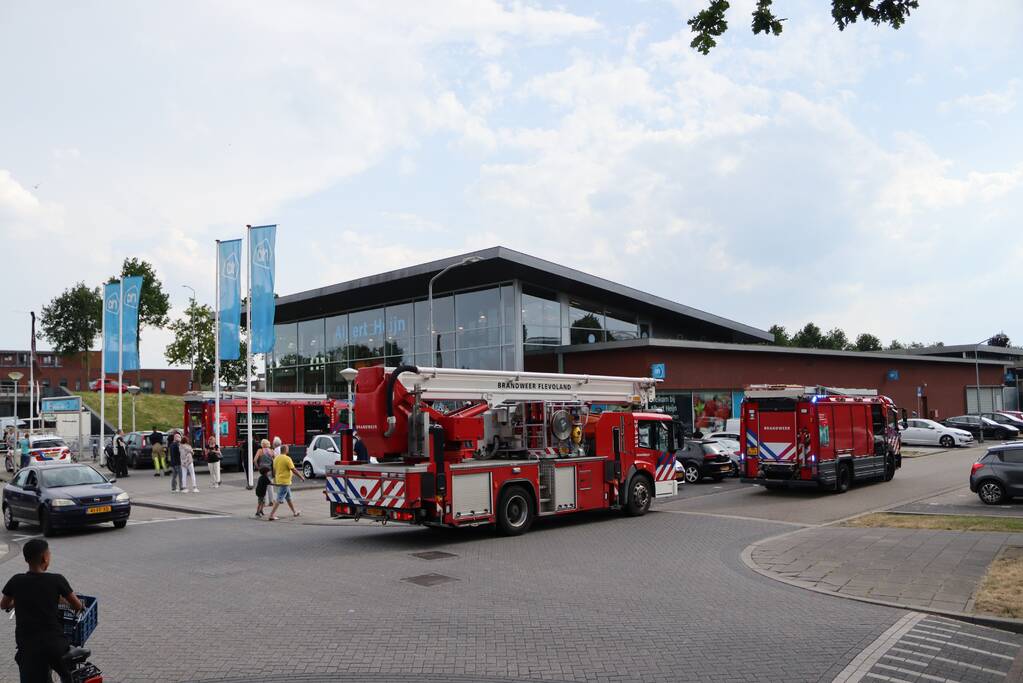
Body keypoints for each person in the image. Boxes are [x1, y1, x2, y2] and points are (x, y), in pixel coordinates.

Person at [1, 538, 85, 683]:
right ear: (45, 558)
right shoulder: (57, 580)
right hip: (54, 645)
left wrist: (19, 600)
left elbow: (4, 605)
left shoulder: (16, 580)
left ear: (26, 559)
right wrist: (59, 599)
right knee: (67, 674)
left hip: (27, 645)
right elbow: (77, 606)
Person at [268, 444, 304, 521]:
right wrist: (301, 476)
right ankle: (271, 515)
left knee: (288, 498)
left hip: (280, 480)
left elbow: (274, 471)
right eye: (288, 449)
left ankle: (294, 512)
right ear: (286, 450)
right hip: (285, 481)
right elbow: (293, 469)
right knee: (279, 499)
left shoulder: (276, 458)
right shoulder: (287, 459)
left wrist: (275, 478)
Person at [253, 439, 275, 518]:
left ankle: (263, 503)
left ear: (262, 444)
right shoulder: (271, 451)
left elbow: (254, 460)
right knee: (270, 486)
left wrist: (258, 467)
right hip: (269, 470)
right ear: (268, 444)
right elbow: (275, 461)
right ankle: (271, 501)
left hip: (262, 470)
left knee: (263, 486)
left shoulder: (260, 450)